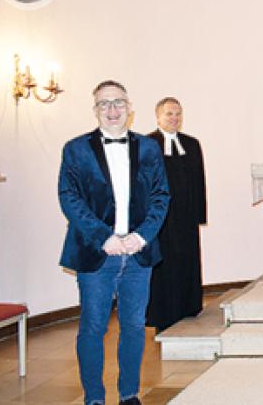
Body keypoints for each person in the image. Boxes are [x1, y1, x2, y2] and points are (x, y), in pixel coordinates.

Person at [57, 80, 170, 405]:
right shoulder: (76, 149)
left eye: (118, 102)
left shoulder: (148, 148)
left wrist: (141, 235)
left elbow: (161, 196)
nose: (112, 110)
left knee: (134, 326)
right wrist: (103, 237)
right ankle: (94, 397)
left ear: (130, 109)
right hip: (97, 253)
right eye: (104, 103)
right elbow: (69, 198)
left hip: (138, 253)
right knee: (93, 327)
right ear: (95, 110)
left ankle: (129, 394)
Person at [146, 97, 207, 332]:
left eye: (178, 114)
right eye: (169, 114)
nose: (174, 118)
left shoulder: (191, 144)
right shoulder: (147, 144)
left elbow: (199, 181)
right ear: (158, 117)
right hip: (159, 218)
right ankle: (163, 312)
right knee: (163, 264)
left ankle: (188, 306)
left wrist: (199, 214)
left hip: (186, 216)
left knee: (187, 259)